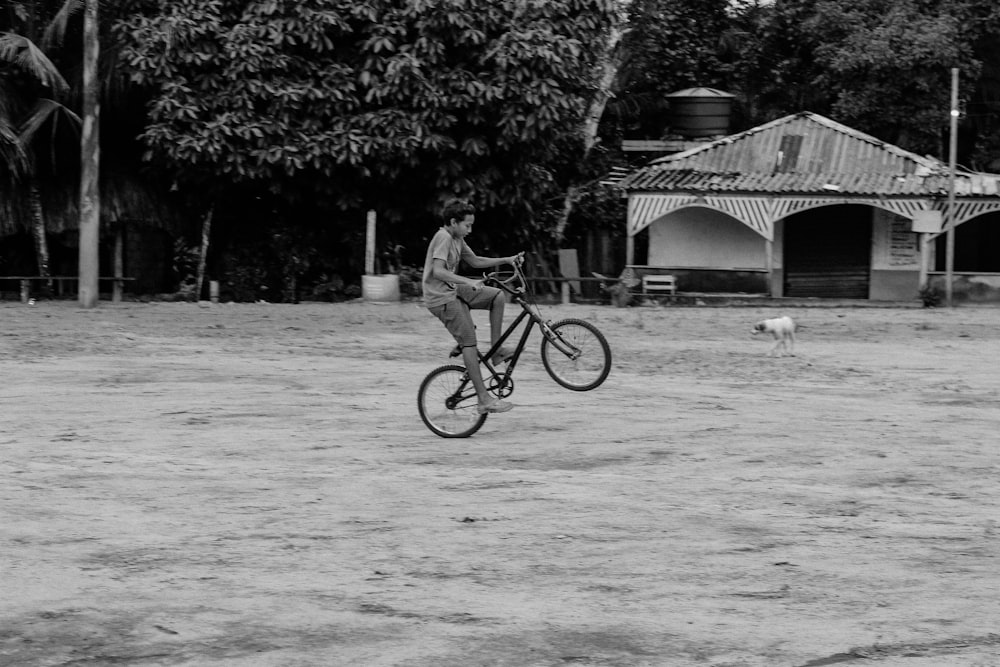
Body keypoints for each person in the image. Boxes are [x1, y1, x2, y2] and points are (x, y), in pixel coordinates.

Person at [423, 199, 524, 414]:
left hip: (453, 290)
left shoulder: (457, 238)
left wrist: (508, 259)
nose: (470, 229)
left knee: (497, 296)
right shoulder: (444, 237)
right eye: (467, 225)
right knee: (470, 343)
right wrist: (468, 282)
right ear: (453, 222)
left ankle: (496, 351)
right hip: (440, 297)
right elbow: (438, 271)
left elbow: (476, 261)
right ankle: (483, 400)